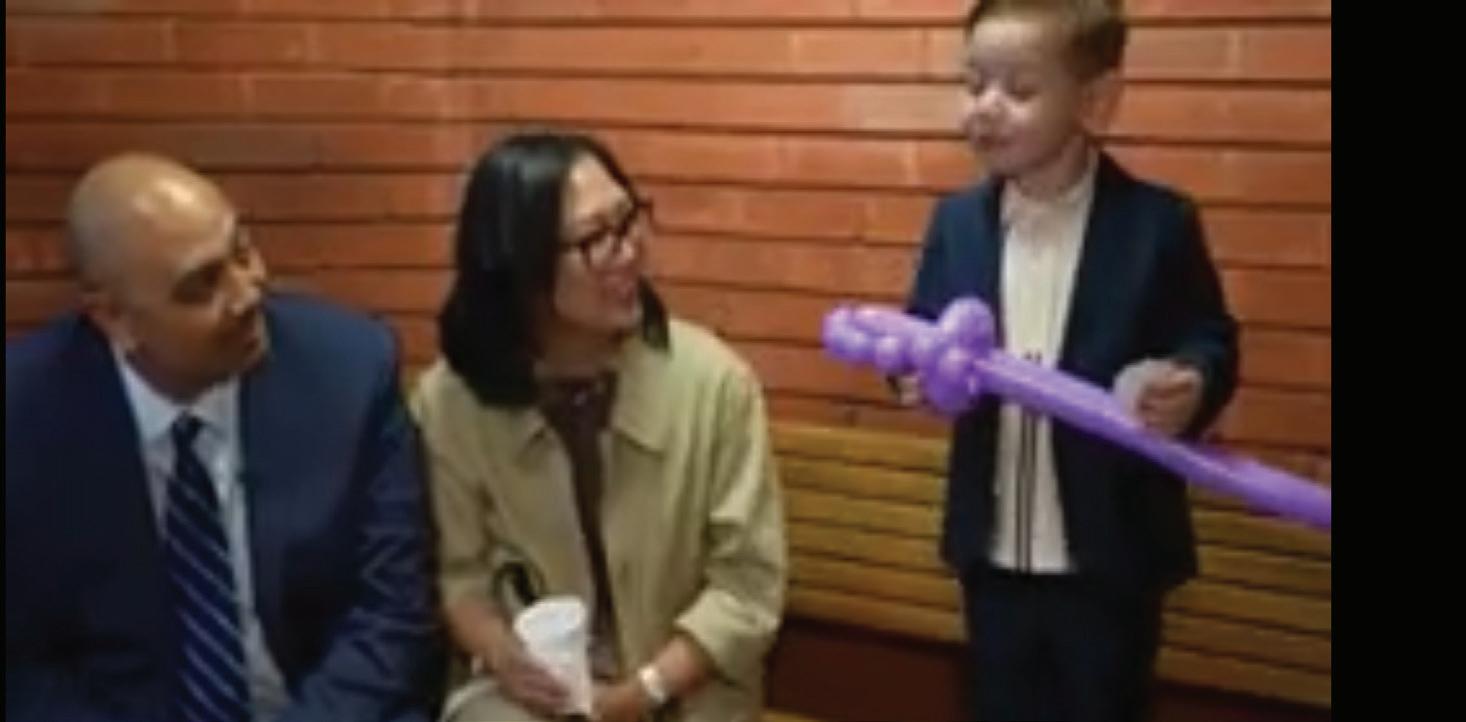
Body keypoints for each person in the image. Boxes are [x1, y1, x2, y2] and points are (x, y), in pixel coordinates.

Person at [6, 153, 442, 722]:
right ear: (114, 319)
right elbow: (22, 663)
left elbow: (392, 616)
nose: (247, 293)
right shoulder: (25, 417)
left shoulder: (350, 370)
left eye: (242, 252)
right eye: (202, 286)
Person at [899, 2, 1241, 719]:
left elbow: (1209, 338)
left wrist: (1194, 381)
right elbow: (919, 331)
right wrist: (911, 374)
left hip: (1111, 565)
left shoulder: (1157, 224)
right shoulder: (955, 222)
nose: (986, 107)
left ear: (1095, 102)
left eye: (1019, 89)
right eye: (974, 84)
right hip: (993, 561)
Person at [410, 131, 787, 722]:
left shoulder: (714, 385)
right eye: (594, 239)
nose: (629, 251)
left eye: (629, 220)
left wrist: (645, 690)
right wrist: (504, 657)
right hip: (530, 699)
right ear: (520, 268)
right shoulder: (451, 403)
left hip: (684, 693)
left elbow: (748, 587)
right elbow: (459, 577)